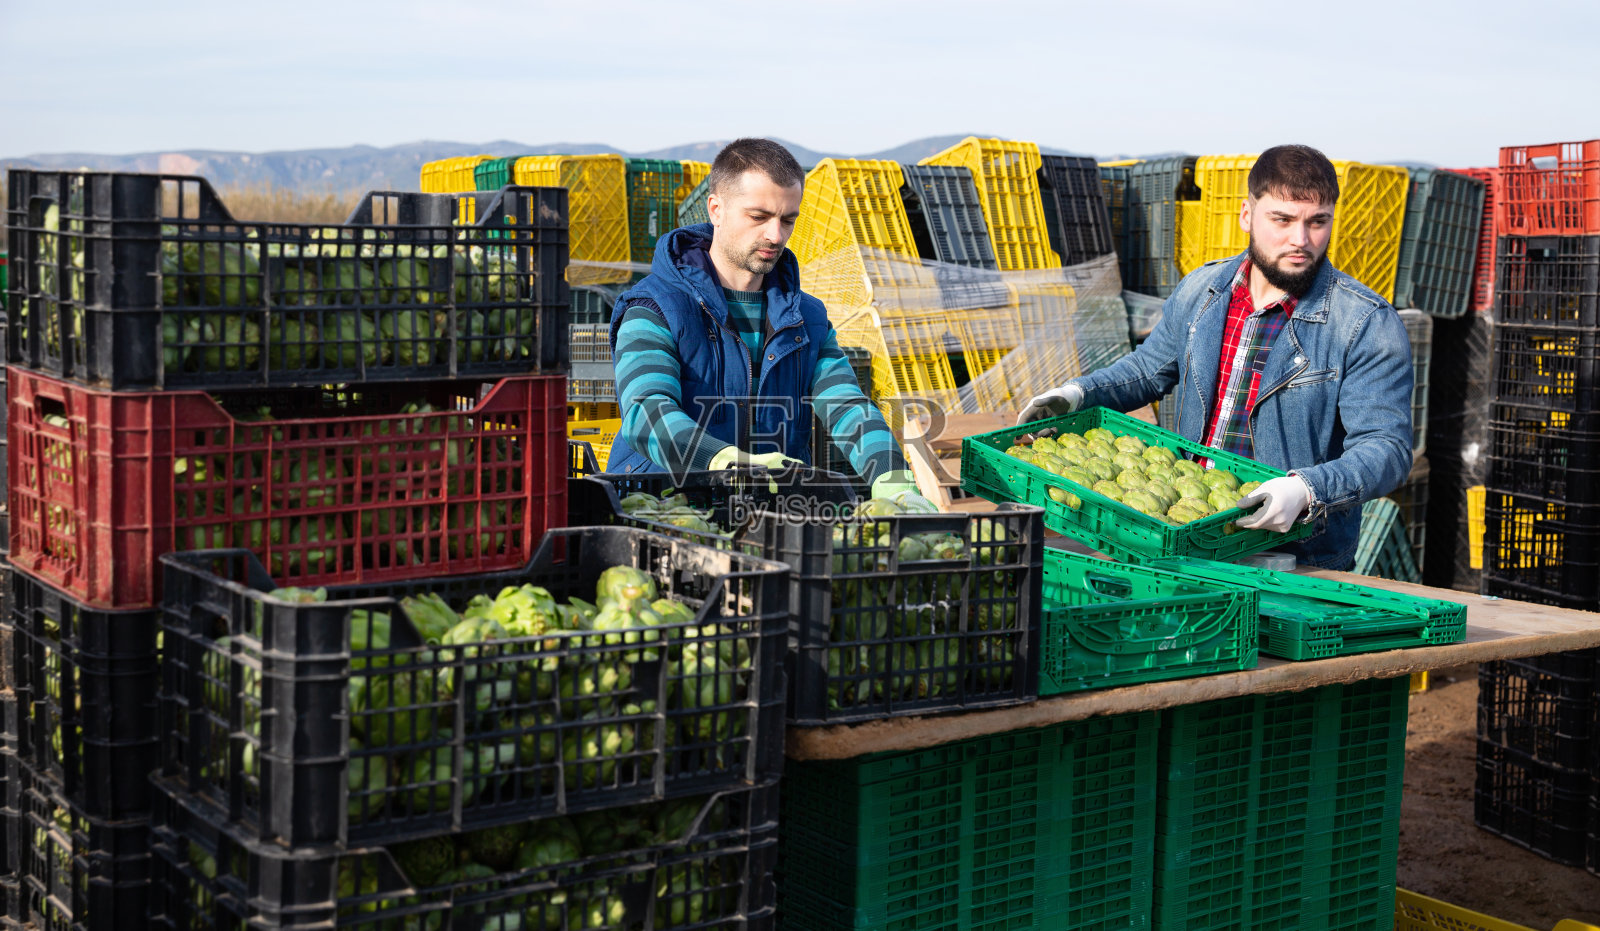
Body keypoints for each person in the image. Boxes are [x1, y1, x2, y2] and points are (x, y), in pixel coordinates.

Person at [1018, 144, 1413, 569]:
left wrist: (1306, 490)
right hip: (1187, 529)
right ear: (1248, 215)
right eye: (1281, 220)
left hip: (1288, 555)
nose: (1300, 240)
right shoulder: (1203, 291)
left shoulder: (1364, 322)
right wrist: (1078, 394)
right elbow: (1149, 369)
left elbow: (1386, 447)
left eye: (1317, 222)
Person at [605, 138, 929, 506]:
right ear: (716, 209)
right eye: (758, 217)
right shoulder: (655, 307)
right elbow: (646, 412)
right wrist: (726, 463)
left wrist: (894, 479)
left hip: (774, 516)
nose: (775, 236)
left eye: (787, 220)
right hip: (665, 508)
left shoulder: (807, 318)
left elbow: (845, 405)